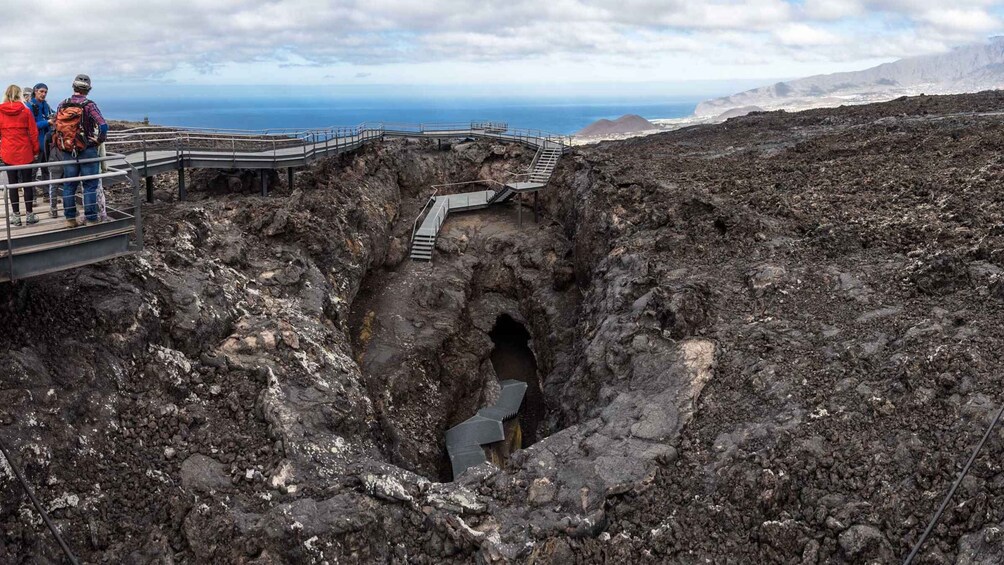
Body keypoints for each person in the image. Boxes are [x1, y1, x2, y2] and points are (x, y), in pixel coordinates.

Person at [56, 74, 107, 228]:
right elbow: (103, 125)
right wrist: (99, 140)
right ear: (88, 89)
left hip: (67, 149)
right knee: (90, 184)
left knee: (69, 184)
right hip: (87, 149)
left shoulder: (62, 104)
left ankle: (70, 219)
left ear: (74, 87)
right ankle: (91, 219)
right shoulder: (89, 105)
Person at [0, 85, 40, 226]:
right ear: (20, 95)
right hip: (25, 152)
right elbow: (34, 133)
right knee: (27, 184)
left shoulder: (0, 111)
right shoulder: (25, 111)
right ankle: (29, 215)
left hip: (8, 153)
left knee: (12, 185)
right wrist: (35, 150)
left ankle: (16, 216)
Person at [28, 83, 57, 216]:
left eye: (45, 92)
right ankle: (32, 197)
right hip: (35, 144)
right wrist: (48, 123)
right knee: (33, 172)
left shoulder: (45, 105)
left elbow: (50, 115)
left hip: (46, 143)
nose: (43, 94)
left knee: (46, 170)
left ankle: (47, 195)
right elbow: (31, 126)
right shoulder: (30, 106)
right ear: (35, 91)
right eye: (41, 91)